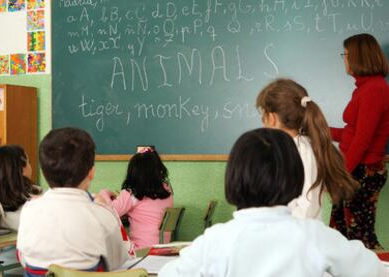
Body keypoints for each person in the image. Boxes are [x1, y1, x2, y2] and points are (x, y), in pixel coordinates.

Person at [159, 128, 386, 277]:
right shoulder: (315, 236)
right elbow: (375, 271)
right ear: (296, 179)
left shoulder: (215, 241)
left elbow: (168, 275)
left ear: (233, 178)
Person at [17, 127, 129, 276]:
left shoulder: (29, 210)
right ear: (91, 172)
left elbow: (24, 259)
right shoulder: (103, 215)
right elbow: (118, 263)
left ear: (43, 171)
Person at [256, 78, 358, 220]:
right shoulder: (288, 149)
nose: (262, 120)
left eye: (263, 114)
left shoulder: (303, 151)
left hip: (300, 236)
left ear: (272, 118)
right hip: (287, 233)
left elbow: (307, 208)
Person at [330, 33, 389, 250]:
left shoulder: (374, 89)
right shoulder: (365, 89)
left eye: (345, 55)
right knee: (343, 238)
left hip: (363, 172)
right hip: (356, 169)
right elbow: (353, 133)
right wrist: (321, 131)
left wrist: (341, 176)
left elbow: (362, 140)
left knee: (359, 242)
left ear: (358, 57)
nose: (344, 59)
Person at [0, 145, 41, 275]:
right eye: (28, 161)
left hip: (17, 265)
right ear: (22, 170)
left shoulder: (35, 192)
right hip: (24, 265)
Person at [96, 146, 173, 250]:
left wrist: (104, 192)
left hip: (140, 250)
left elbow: (109, 212)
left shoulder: (133, 193)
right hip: (162, 247)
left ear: (133, 172)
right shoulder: (167, 189)